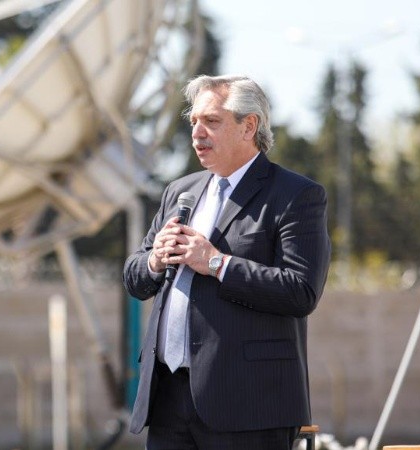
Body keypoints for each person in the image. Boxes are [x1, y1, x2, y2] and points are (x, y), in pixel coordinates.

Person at [123, 75, 331, 450]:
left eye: (212, 121)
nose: (197, 133)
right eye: (194, 122)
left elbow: (301, 291)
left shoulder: (295, 195)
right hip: (168, 399)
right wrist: (154, 260)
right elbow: (134, 278)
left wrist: (217, 264)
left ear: (248, 126)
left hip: (248, 404)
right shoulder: (180, 192)